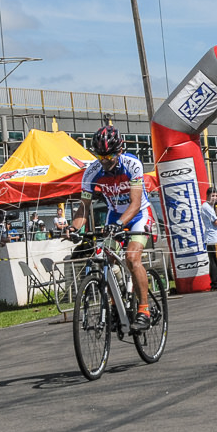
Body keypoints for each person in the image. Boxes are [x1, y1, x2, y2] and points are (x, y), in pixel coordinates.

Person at [70, 125, 156, 330]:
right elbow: (84, 206)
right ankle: (115, 303)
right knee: (103, 256)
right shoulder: (92, 172)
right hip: (114, 214)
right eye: (100, 157)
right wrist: (74, 229)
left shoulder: (132, 164)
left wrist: (118, 225)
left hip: (139, 214)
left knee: (132, 257)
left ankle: (144, 309)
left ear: (119, 151)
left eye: (108, 157)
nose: (105, 162)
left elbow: (135, 204)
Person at [200, 186, 217, 291]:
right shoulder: (206, 207)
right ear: (207, 196)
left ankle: (215, 282)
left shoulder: (209, 207)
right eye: (212, 196)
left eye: (216, 196)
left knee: (213, 261)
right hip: (213, 238)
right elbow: (216, 222)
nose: (214, 198)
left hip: (211, 238)